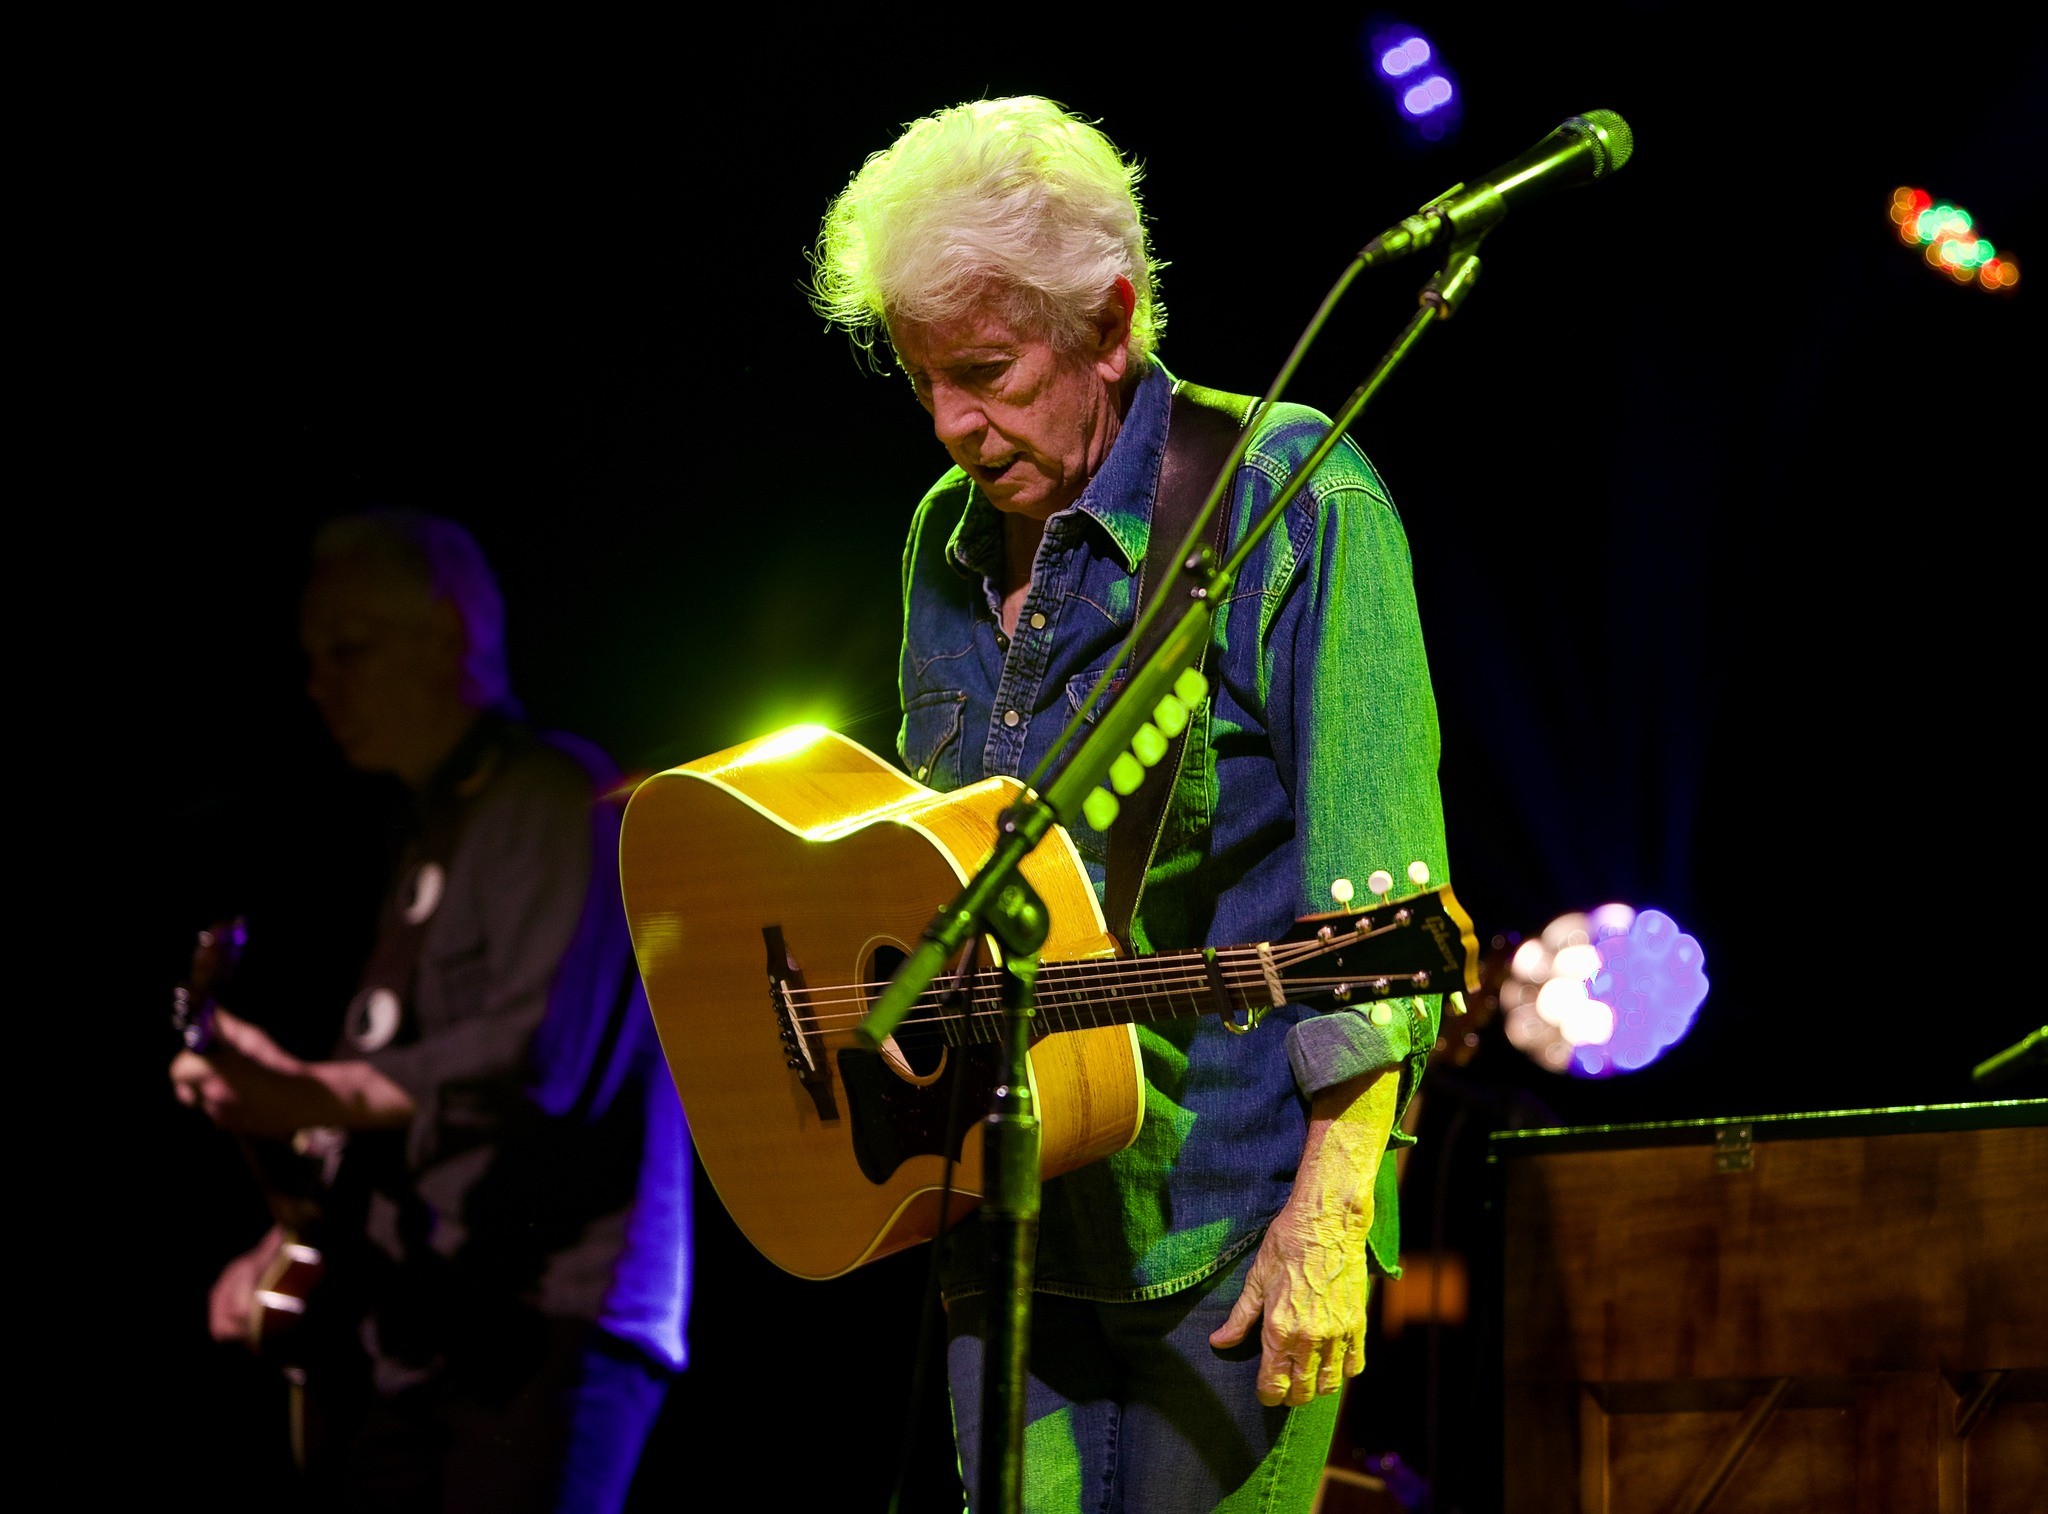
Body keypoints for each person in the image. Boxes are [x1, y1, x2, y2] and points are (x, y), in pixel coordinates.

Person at [808, 97, 1451, 1511]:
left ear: (1109, 322)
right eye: (922, 379)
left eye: (986, 372)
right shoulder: (941, 538)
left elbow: (1384, 912)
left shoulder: (1293, 494)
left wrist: (1333, 1209)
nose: (952, 426)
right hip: (1008, 1218)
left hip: (1231, 1221)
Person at [170, 509, 690, 1514]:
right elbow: (390, 1101)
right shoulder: (427, 833)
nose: (320, 683)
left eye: (349, 648)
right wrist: (283, 1244)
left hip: (550, 1320)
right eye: (312, 657)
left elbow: (539, 1057)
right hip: (430, 1325)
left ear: (447, 634)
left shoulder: (555, 792)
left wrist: (306, 1088)